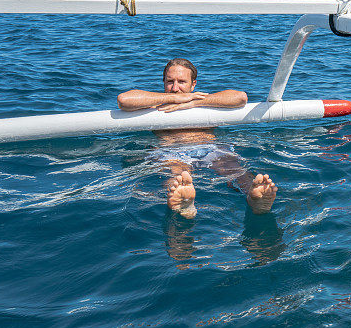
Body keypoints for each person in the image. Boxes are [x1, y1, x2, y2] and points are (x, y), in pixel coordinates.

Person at [117, 58, 277, 219]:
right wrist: (173, 99)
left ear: (193, 84)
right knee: (177, 175)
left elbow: (240, 97)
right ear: (163, 82)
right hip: (171, 150)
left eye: (181, 82)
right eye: (170, 82)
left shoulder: (203, 103)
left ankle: (256, 199)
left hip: (210, 148)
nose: (175, 88)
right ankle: (184, 205)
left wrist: (192, 102)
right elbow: (124, 100)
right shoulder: (154, 107)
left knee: (234, 170)